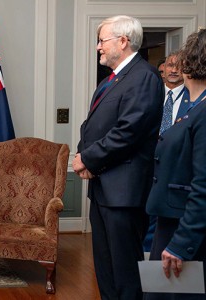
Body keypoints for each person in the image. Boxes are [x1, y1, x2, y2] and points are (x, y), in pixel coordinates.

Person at [73, 15, 163, 299]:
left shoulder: (144, 77)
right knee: (106, 269)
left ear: (123, 41)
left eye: (102, 40)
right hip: (103, 188)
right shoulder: (111, 80)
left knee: (124, 272)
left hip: (124, 193)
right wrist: (84, 156)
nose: (98, 46)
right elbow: (91, 126)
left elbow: (127, 132)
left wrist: (87, 159)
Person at [145, 28, 206, 300]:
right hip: (170, 222)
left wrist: (182, 244)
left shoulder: (203, 113)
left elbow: (202, 186)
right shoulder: (196, 107)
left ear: (190, 62)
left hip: (185, 232)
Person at [144, 51, 191, 252]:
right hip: (147, 166)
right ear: (162, 71)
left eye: (179, 66)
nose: (174, 70)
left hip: (176, 170)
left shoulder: (195, 99)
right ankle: (144, 260)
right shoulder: (149, 94)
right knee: (146, 218)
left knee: (168, 225)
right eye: (170, 65)